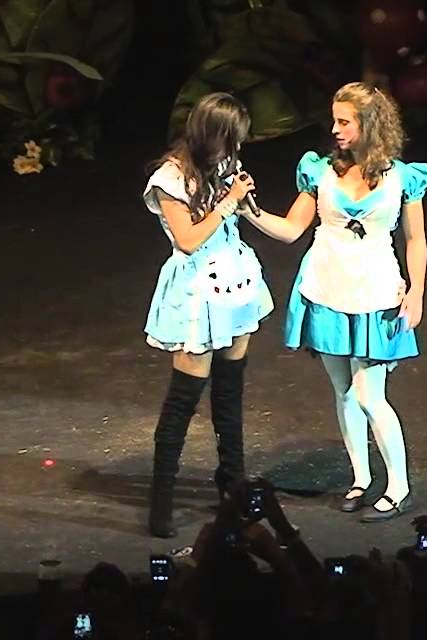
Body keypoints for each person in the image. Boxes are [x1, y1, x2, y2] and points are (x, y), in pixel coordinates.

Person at [241, 82, 427, 522]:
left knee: (369, 395)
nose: (335, 129)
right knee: (343, 391)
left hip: (376, 293)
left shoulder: (403, 178)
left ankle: (399, 488)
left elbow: (416, 239)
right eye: (334, 120)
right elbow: (292, 230)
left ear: (370, 124)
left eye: (345, 121)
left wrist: (417, 290)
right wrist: (248, 210)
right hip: (326, 289)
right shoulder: (320, 171)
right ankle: (360, 478)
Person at [142, 92, 274, 538]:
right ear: (210, 134)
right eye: (230, 139)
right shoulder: (169, 178)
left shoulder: (224, 163)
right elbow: (188, 240)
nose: (234, 148)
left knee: (230, 393)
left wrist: (244, 199)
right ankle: (161, 503)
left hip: (235, 282)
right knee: (184, 400)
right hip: (197, 293)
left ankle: (233, 486)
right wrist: (227, 201)